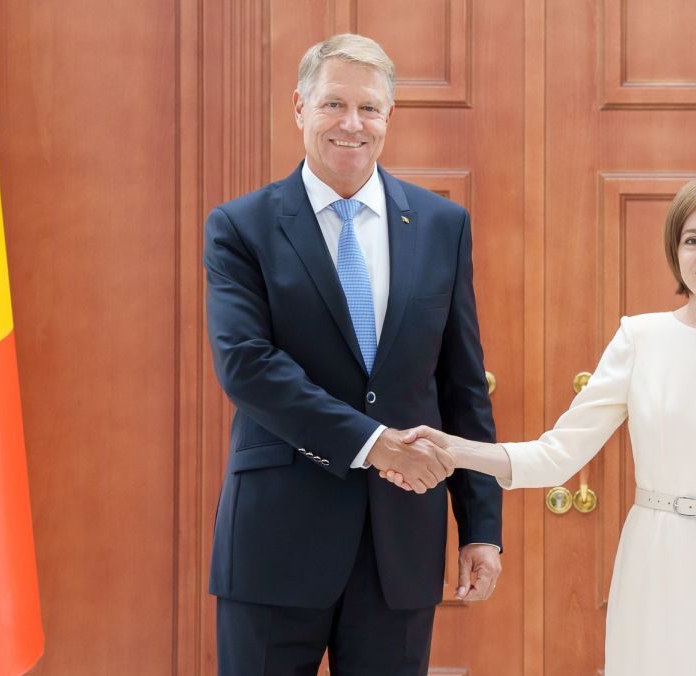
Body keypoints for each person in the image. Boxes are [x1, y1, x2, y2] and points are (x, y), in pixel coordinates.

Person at [387, 173, 696, 675]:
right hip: (657, 567)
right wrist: (453, 449)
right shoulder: (640, 339)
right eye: (693, 240)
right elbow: (558, 454)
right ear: (675, 250)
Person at [203, 33, 503, 676]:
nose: (351, 123)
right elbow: (247, 366)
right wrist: (376, 444)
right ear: (299, 108)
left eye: (369, 108)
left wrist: (480, 526)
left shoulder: (440, 225)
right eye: (333, 103)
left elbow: (461, 384)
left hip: (401, 548)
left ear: (389, 117)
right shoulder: (240, 227)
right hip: (275, 544)